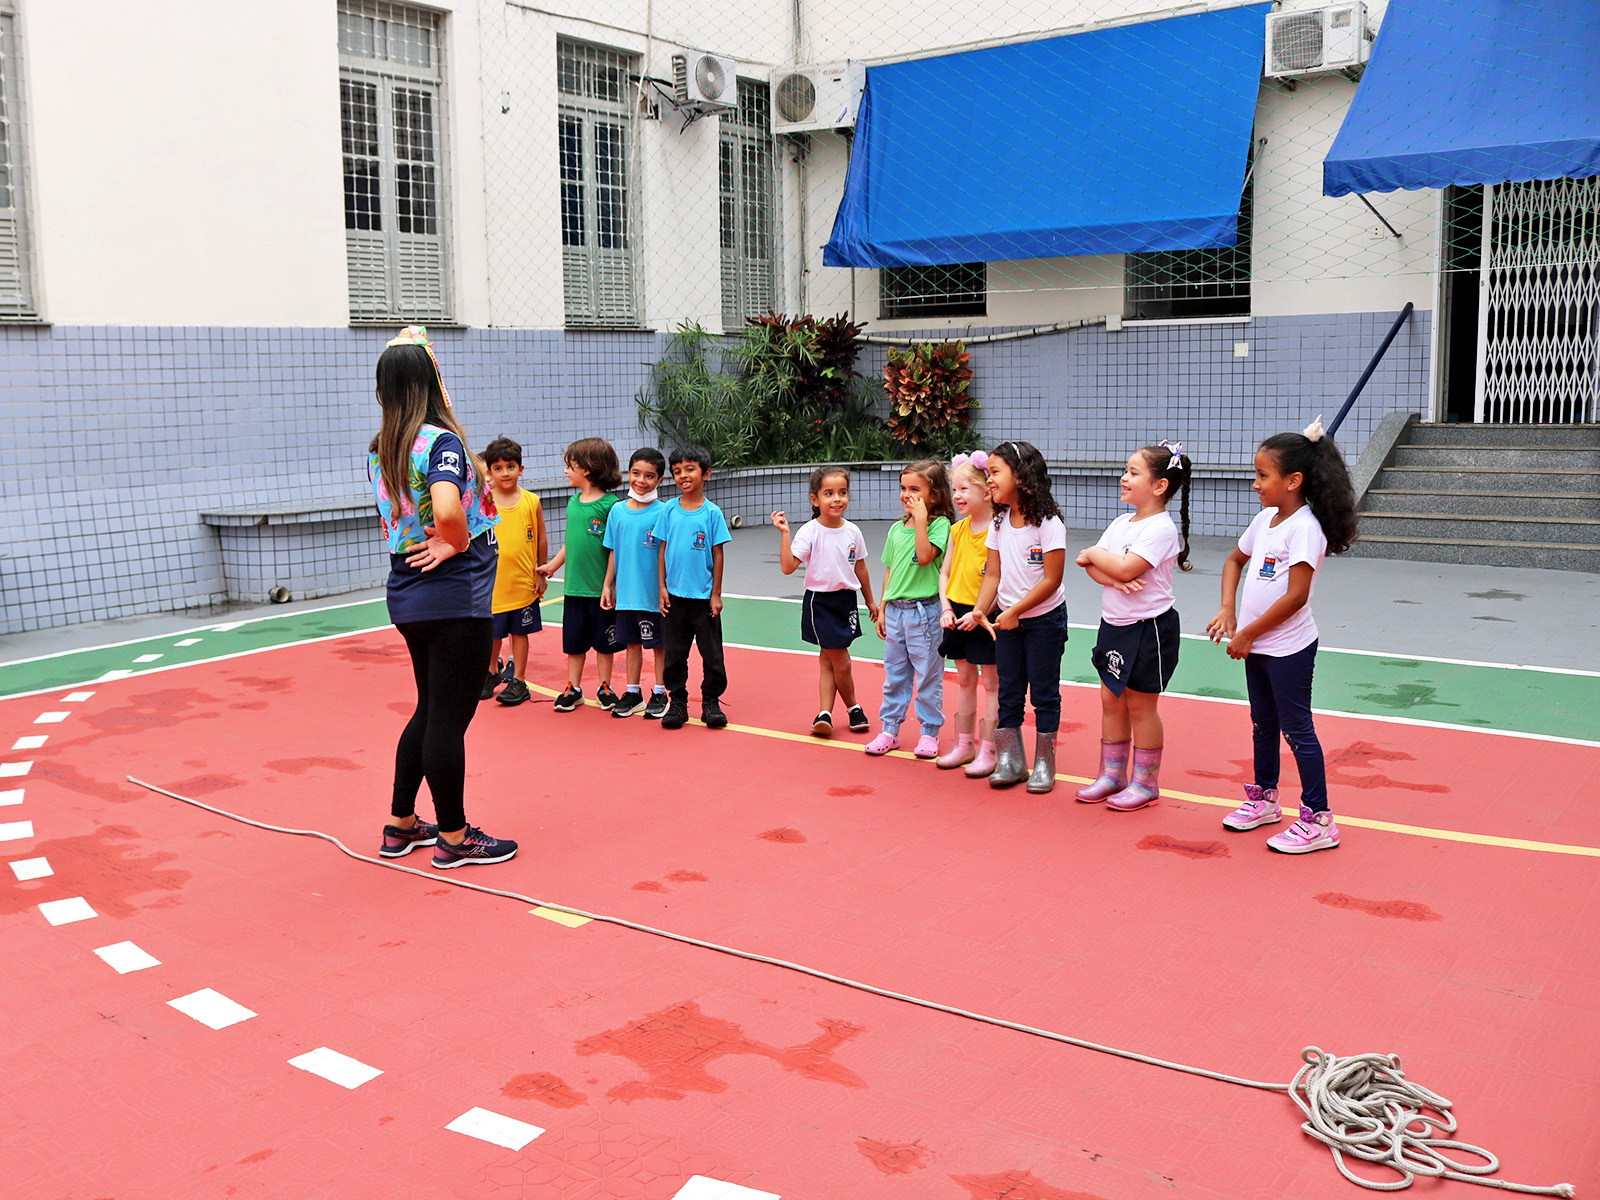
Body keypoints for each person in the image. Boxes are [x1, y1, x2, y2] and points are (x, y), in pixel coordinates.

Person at [367, 327, 516, 868]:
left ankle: (401, 824)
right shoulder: (440, 443)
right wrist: (454, 540)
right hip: (454, 595)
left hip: (408, 591)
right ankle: (454, 836)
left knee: (429, 708)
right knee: (448, 720)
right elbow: (449, 510)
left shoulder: (382, 448)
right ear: (431, 380)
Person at [1205, 416, 1359, 854]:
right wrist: (1228, 609)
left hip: (1288, 648)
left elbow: (1296, 597)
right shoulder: (1265, 520)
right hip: (1257, 645)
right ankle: (1265, 799)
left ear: (1293, 481)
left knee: (1296, 730)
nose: (1256, 484)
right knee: (1262, 724)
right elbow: (1234, 561)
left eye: (1263, 475)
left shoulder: (1304, 528)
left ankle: (1319, 819)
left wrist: (1247, 634)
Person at [1073, 440, 1193, 810]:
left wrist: (1097, 555)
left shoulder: (1160, 529)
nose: (1124, 478)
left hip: (1148, 629)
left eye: (1133, 472)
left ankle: (1145, 782)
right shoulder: (1121, 523)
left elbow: (1119, 565)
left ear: (1159, 485)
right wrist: (1109, 573)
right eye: (1126, 471)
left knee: (1141, 706)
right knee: (1110, 699)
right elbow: (1091, 568)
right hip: (1114, 625)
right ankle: (1112, 775)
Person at [971, 440, 1068, 792]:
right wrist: (981, 608)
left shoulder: (1048, 523)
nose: (989, 480)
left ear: (1022, 475)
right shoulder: (999, 522)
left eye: (995, 472)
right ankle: (1010, 760)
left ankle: (1045, 763)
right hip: (1008, 621)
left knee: (1044, 693)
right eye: (988, 472)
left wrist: (1014, 611)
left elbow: (1051, 580)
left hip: (1044, 621)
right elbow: (993, 575)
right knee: (1009, 690)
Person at [771, 465, 879, 738]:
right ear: (815, 499)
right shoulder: (810, 531)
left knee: (827, 660)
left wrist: (870, 601)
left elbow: (861, 568)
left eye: (842, 492)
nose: (837, 499)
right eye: (829, 493)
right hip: (820, 603)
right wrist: (785, 534)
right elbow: (788, 566)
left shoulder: (853, 531)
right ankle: (854, 708)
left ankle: (824, 714)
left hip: (846, 601)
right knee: (842, 661)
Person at [865, 460, 955, 759]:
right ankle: (889, 730)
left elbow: (925, 556)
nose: (907, 495)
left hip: (924, 613)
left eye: (915, 489)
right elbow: (890, 571)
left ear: (935, 495)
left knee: (928, 675)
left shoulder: (939, 526)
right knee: (895, 675)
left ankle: (929, 733)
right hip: (896, 612)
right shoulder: (895, 529)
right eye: (903, 488)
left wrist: (921, 520)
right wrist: (883, 607)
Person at [538, 438, 622, 713]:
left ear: (586, 469)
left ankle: (605, 687)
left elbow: (615, 549)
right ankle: (573, 688)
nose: (565, 471)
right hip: (574, 589)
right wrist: (552, 566)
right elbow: (571, 543)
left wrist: (610, 584)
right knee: (574, 644)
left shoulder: (611, 506)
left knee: (605, 644)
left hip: (600, 591)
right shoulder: (573, 502)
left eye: (570, 466)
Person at [652, 443, 732, 731]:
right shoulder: (668, 510)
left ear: (705, 474)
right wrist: (662, 588)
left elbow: (718, 554)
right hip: (674, 598)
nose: (683, 476)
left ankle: (711, 702)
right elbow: (662, 549)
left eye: (689, 469)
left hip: (703, 599)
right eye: (677, 471)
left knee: (712, 655)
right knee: (674, 654)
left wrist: (716, 594)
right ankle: (678, 702)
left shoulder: (712, 513)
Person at [937, 451, 1000, 775]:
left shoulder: (999, 531)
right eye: (954, 489)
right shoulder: (957, 530)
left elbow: (1000, 580)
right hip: (957, 612)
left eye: (964, 489)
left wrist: (980, 613)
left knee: (991, 682)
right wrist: (946, 608)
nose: (957, 495)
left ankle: (990, 749)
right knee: (963, 679)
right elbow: (945, 574)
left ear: (987, 492)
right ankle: (963, 745)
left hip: (985, 614)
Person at [602, 448, 671, 719]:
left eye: (649, 476)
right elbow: (613, 550)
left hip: (653, 595)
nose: (641, 480)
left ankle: (660, 691)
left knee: (658, 644)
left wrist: (665, 589)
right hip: (626, 595)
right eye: (636, 473)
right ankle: (633, 693)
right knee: (631, 643)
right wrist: (608, 585)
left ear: (660, 480)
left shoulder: (664, 512)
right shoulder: (617, 511)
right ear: (627, 473)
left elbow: (668, 554)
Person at [479, 436, 547, 708]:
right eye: (498, 468)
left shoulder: (531, 501)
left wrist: (541, 572)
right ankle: (491, 672)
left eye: (510, 466)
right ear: (489, 472)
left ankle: (518, 680)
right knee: (492, 633)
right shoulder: (483, 502)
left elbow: (541, 538)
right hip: (492, 584)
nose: (505, 473)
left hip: (523, 584)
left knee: (519, 633)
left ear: (521, 469)